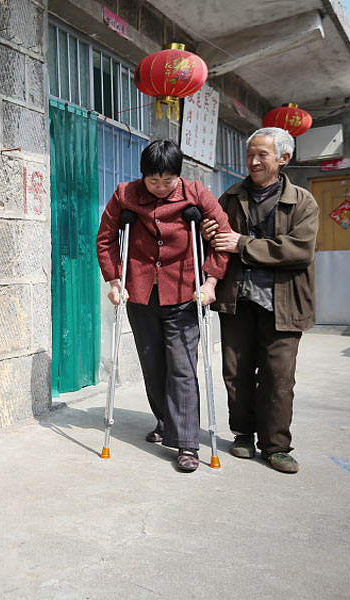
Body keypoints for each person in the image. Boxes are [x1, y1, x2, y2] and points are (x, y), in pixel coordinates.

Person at [96, 140, 231, 472]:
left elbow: (223, 235)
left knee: (182, 366)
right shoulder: (125, 194)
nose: (159, 187)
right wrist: (114, 281)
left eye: (166, 181)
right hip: (140, 293)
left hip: (184, 291)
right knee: (153, 364)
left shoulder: (197, 194)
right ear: (143, 175)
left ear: (178, 175)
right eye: (152, 181)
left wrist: (211, 282)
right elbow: (106, 239)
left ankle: (186, 444)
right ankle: (164, 420)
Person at [201, 127, 319, 474]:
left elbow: (300, 250)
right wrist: (210, 235)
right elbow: (215, 239)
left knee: (278, 378)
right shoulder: (231, 197)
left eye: (262, 155)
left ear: (283, 159)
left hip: (283, 303)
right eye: (250, 154)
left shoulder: (302, 202)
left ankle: (277, 445)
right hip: (237, 299)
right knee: (236, 373)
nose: (252, 161)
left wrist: (241, 244)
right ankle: (242, 435)